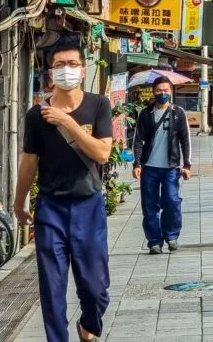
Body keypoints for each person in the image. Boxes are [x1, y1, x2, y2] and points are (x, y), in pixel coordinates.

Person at [14, 43, 113, 342]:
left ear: (83, 71)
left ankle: (89, 325)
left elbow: (103, 153)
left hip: (89, 206)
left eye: (72, 63)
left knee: (95, 289)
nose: (66, 69)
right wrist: (19, 203)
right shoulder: (36, 115)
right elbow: (29, 163)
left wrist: (68, 122)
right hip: (51, 209)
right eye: (60, 64)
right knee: (52, 288)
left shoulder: (98, 105)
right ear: (51, 73)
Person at [132, 77, 193, 255]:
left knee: (172, 201)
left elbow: (185, 140)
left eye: (166, 90)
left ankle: (171, 236)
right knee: (149, 205)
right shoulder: (145, 113)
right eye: (159, 90)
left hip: (171, 168)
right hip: (149, 167)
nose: (163, 93)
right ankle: (154, 241)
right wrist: (136, 163)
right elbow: (137, 140)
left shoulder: (178, 113)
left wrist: (187, 164)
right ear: (153, 92)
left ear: (171, 91)